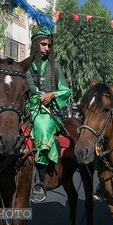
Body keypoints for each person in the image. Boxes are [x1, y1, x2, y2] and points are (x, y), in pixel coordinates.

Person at [25, 25, 71, 203]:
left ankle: (40, 181)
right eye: (43, 44)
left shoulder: (55, 66)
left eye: (49, 45)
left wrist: (52, 94)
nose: (47, 48)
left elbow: (66, 90)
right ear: (36, 44)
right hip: (28, 109)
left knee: (42, 127)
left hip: (48, 113)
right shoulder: (26, 66)